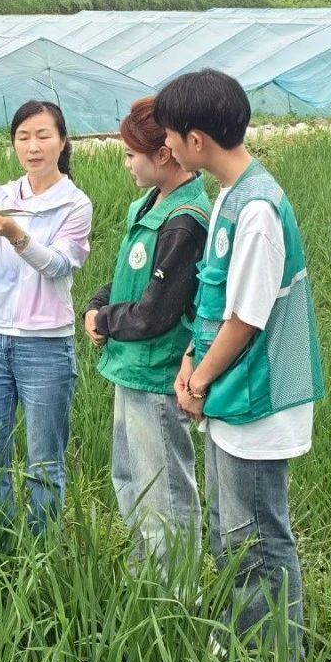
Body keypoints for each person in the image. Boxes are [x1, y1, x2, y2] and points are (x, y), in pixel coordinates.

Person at [156, 68, 324, 662]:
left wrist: (198, 380)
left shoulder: (258, 209)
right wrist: (188, 360)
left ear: (196, 139)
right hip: (228, 391)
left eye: (171, 136)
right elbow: (216, 301)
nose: (166, 148)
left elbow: (246, 319)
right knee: (232, 531)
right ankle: (238, 641)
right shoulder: (231, 194)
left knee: (257, 538)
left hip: (256, 399)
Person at [83, 97, 210, 575]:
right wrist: (98, 305)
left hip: (158, 376)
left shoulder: (186, 221)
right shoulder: (149, 205)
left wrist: (106, 320)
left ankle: (176, 597)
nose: (127, 162)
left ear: (164, 154)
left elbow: (156, 312)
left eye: (132, 153)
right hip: (129, 369)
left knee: (165, 496)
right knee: (131, 481)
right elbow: (127, 279)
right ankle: (145, 582)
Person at [0, 101, 92, 533]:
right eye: (23, 137)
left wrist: (16, 235)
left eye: (43, 136)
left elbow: (58, 266)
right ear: (13, 144)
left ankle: (42, 549)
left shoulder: (75, 204)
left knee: (45, 460)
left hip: (45, 345)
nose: (33, 147)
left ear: (62, 141)